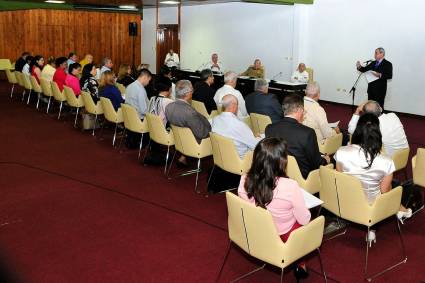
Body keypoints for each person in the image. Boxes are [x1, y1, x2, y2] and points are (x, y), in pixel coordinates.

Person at [238, 137, 311, 280]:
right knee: (308, 220)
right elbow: (304, 219)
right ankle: (301, 263)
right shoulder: (290, 186)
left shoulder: (244, 180)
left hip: (256, 230)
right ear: (281, 162)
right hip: (284, 233)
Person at [334, 113, 412, 243]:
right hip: (371, 209)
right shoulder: (386, 162)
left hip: (345, 202)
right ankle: (374, 229)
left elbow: (339, 177)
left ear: (358, 131)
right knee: (401, 187)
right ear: (378, 133)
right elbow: (385, 191)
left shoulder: (341, 152)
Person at [265, 94, 330, 179]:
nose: (304, 113)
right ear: (299, 110)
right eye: (304, 110)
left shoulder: (269, 128)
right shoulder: (307, 133)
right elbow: (316, 164)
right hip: (302, 178)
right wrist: (325, 160)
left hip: (277, 173)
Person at [165, 80, 211, 167]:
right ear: (188, 93)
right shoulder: (190, 112)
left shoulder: (168, 107)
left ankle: (183, 157)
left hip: (179, 141)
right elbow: (203, 134)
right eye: (192, 91)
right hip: (195, 143)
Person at [212, 94, 261, 158]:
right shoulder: (239, 125)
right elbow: (256, 145)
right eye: (237, 105)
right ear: (234, 105)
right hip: (241, 160)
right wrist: (259, 138)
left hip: (221, 157)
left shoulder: (215, 120)